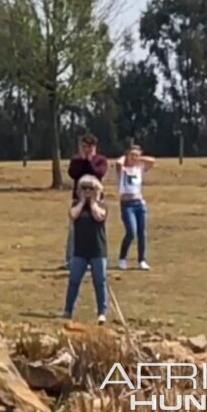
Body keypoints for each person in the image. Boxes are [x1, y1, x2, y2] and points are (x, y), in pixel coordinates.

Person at [60, 175, 109, 324]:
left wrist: (94, 201)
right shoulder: (76, 205)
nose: (87, 191)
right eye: (84, 188)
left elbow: (99, 217)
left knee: (99, 282)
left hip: (98, 251)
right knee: (74, 281)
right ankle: (68, 310)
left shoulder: (102, 205)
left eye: (91, 188)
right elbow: (73, 215)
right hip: (80, 251)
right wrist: (82, 201)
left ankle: (102, 312)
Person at [64, 134, 108, 268]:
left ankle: (97, 256)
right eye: (82, 146)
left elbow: (98, 173)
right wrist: (83, 160)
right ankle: (71, 259)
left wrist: (89, 160)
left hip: (96, 199)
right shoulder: (76, 160)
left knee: (96, 229)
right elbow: (73, 173)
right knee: (74, 230)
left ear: (94, 147)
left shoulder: (101, 160)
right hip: (79, 199)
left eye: (88, 147)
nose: (85, 149)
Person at [114, 144, 155, 270]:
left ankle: (141, 260)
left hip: (139, 203)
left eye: (136, 155)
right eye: (132, 155)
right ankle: (122, 258)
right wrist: (126, 157)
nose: (134, 157)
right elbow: (117, 163)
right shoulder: (123, 169)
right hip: (127, 204)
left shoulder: (140, 168)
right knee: (131, 232)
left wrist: (139, 158)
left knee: (142, 232)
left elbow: (152, 161)